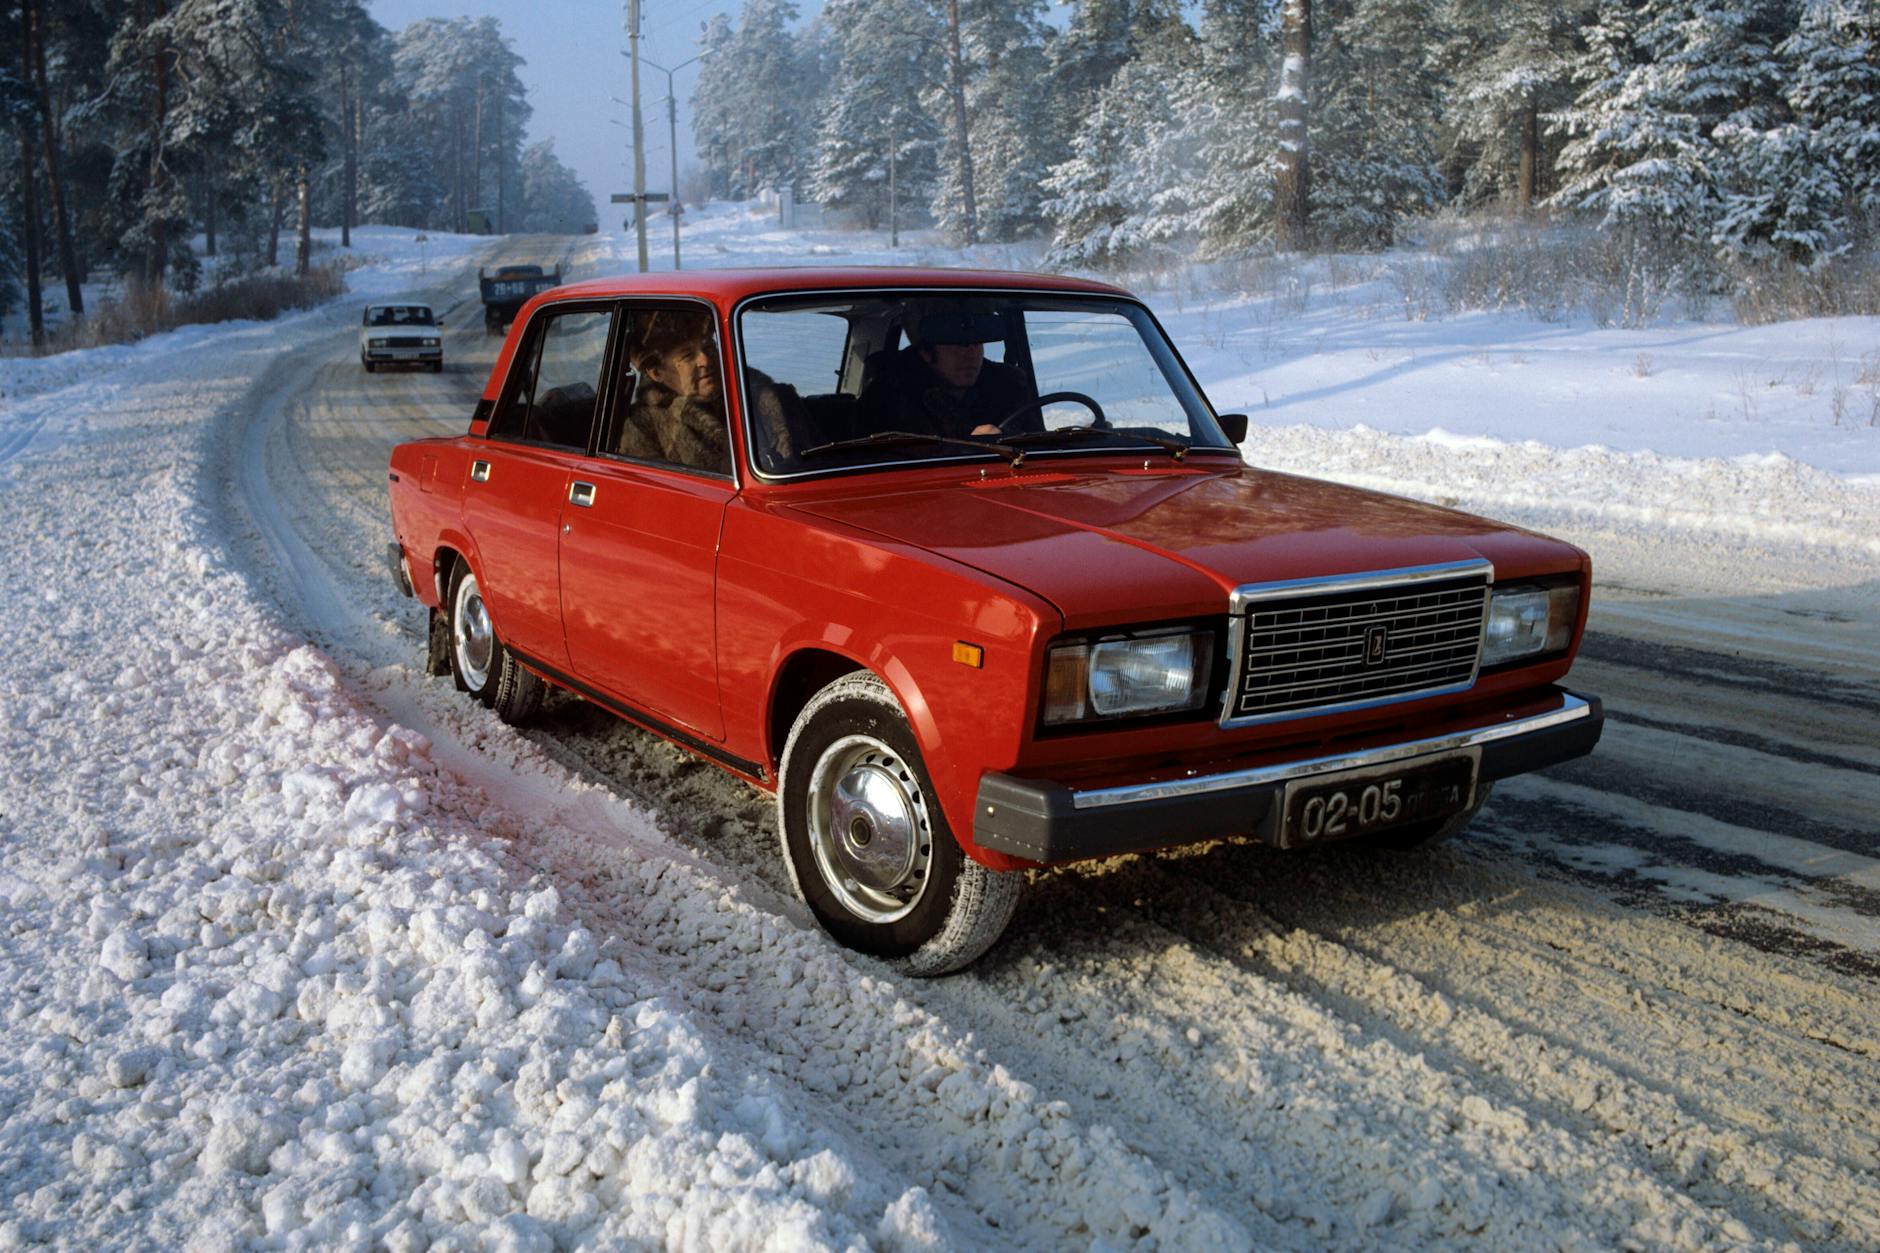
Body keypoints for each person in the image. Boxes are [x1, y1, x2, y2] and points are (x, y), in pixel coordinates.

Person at [855, 300, 1039, 440]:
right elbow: (876, 460)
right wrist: (965, 445)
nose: (970, 354)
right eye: (956, 343)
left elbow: (1038, 441)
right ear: (925, 352)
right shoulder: (890, 395)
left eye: (977, 342)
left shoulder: (1008, 385)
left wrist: (1006, 436)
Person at [617, 311, 732, 474]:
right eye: (687, 356)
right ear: (656, 373)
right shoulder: (644, 428)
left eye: (708, 347)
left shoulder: (751, 393)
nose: (705, 360)